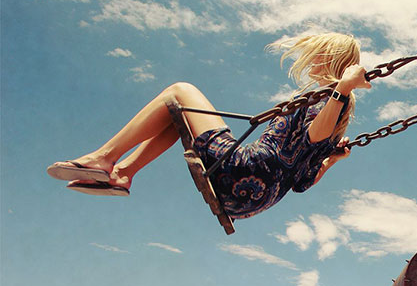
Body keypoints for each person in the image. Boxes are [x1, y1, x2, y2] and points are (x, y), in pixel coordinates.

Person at [47, 32, 371, 220]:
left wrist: (342, 89)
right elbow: (301, 183)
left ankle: (104, 158)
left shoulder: (328, 100)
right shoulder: (334, 115)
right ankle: (123, 174)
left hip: (245, 170)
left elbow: (313, 135)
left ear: (329, 59)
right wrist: (331, 160)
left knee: (179, 91)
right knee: (179, 116)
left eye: (318, 55)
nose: (311, 61)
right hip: (251, 200)